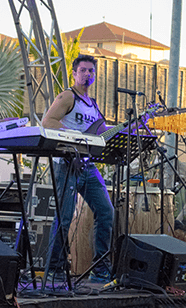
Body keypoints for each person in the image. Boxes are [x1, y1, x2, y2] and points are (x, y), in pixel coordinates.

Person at [42, 54, 114, 283]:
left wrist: (132, 127)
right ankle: (55, 268)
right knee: (64, 217)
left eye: (91, 71)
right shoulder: (67, 96)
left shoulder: (93, 105)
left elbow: (103, 132)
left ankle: (101, 268)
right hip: (66, 162)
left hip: (88, 166)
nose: (87, 74)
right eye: (82, 70)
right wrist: (77, 138)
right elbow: (48, 121)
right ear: (74, 73)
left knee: (106, 212)